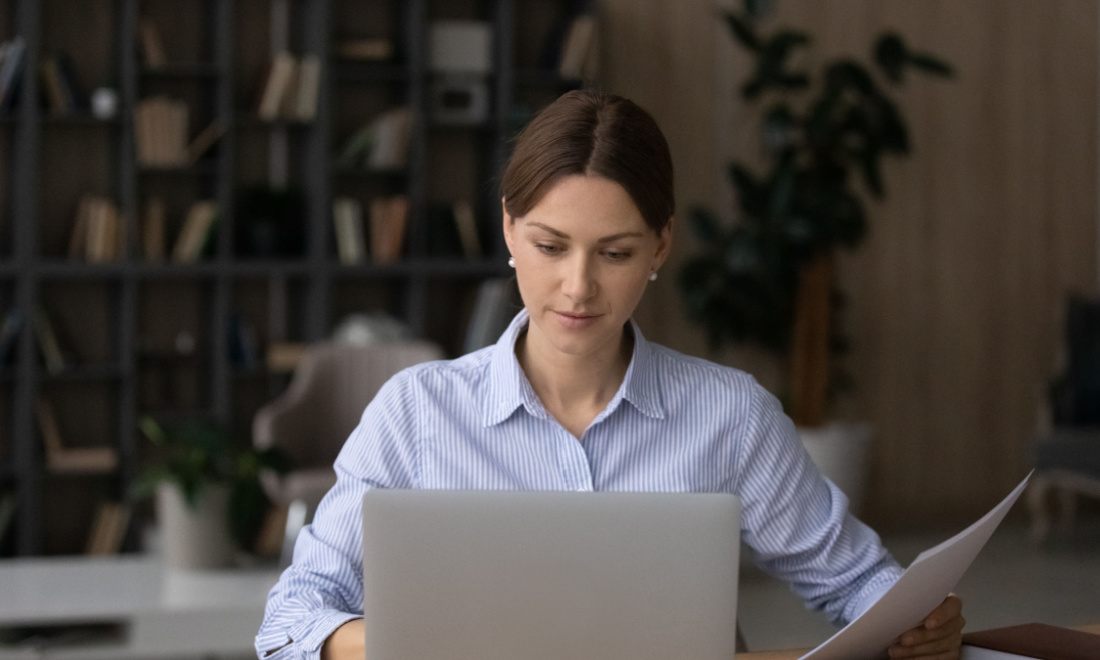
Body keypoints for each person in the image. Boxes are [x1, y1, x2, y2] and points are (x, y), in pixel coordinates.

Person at [255, 89, 965, 660]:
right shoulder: (416, 412)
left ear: (661, 244)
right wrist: (409, 646)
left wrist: (915, 621)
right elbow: (287, 627)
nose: (577, 287)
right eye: (550, 245)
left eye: (615, 253)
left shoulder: (728, 414)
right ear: (508, 230)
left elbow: (857, 581)